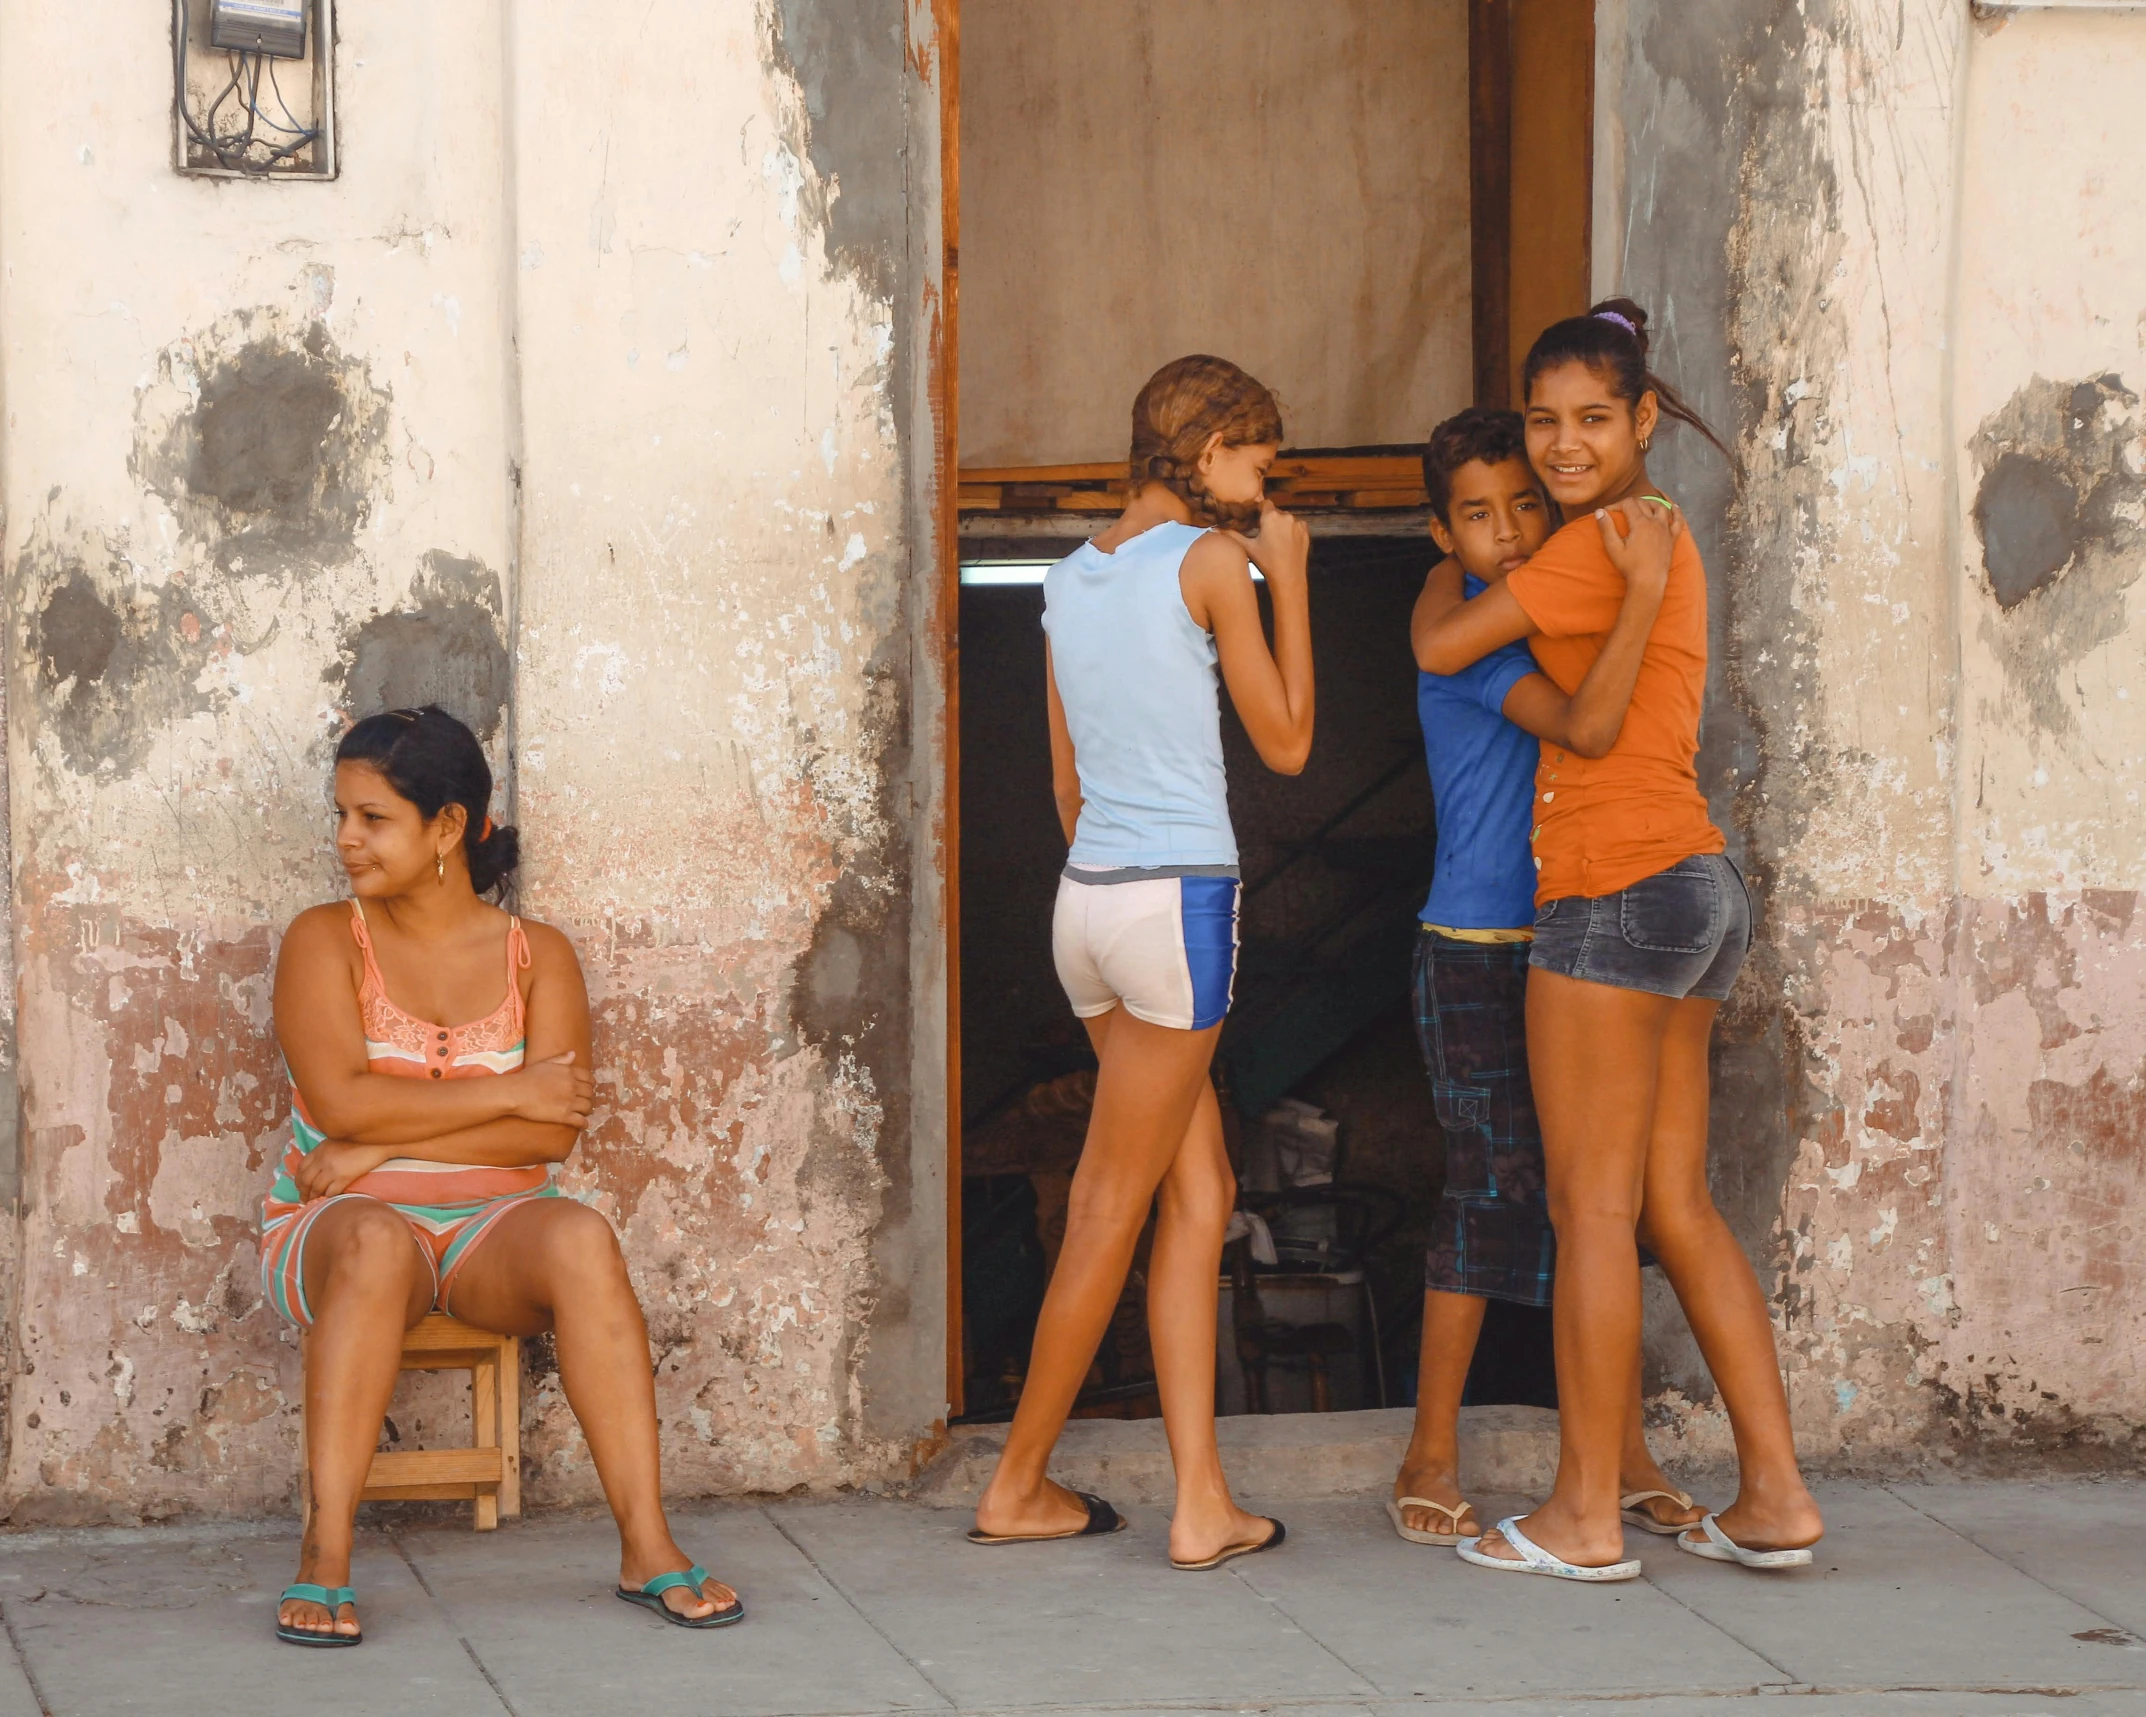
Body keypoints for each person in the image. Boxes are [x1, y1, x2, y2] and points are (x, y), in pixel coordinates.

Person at [1418, 301, 1824, 1582]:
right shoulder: (1655, 530)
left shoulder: (1597, 544)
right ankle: (1773, 1496)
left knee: (1591, 1210)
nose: (1560, 445)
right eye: (1543, 420)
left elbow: (1442, 641)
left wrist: (1448, 559)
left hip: (1610, 893)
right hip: (1698, 889)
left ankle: (1585, 1516)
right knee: (1674, 1202)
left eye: (1592, 419)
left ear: (1643, 419)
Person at [264, 705, 741, 1644]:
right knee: (369, 1237)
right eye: (342, 815)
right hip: (338, 1225)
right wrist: (507, 1091)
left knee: (581, 1234)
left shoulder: (538, 955)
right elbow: (344, 1102)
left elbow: (552, 1140)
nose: (346, 839)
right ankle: (326, 1558)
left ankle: (647, 1547)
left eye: (373, 818)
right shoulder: (324, 939)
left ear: (447, 826)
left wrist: (379, 1142)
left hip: (495, 1228)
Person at [969, 355, 1314, 1571]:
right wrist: (1296, 584)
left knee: (1200, 1194)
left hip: (1091, 911)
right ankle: (1016, 1480)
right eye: (1254, 453)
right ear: (1208, 443)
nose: (1260, 477)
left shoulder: (1066, 581)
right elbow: (1286, 743)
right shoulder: (1217, 564)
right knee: (1112, 1206)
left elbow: (1066, 784)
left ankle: (1202, 1499)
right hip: (1178, 908)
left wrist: (1114, 881)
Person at [1388, 407, 1703, 1549]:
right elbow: (1581, 723)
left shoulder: (1542, 606)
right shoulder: (1471, 642)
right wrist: (1639, 601)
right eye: (1478, 514)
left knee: (1594, 1203)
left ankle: (1617, 1455)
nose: (1512, 530)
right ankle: (1427, 1447)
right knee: (1486, 1191)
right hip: (1476, 949)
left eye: (1528, 502)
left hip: (1577, 935)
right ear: (1440, 535)